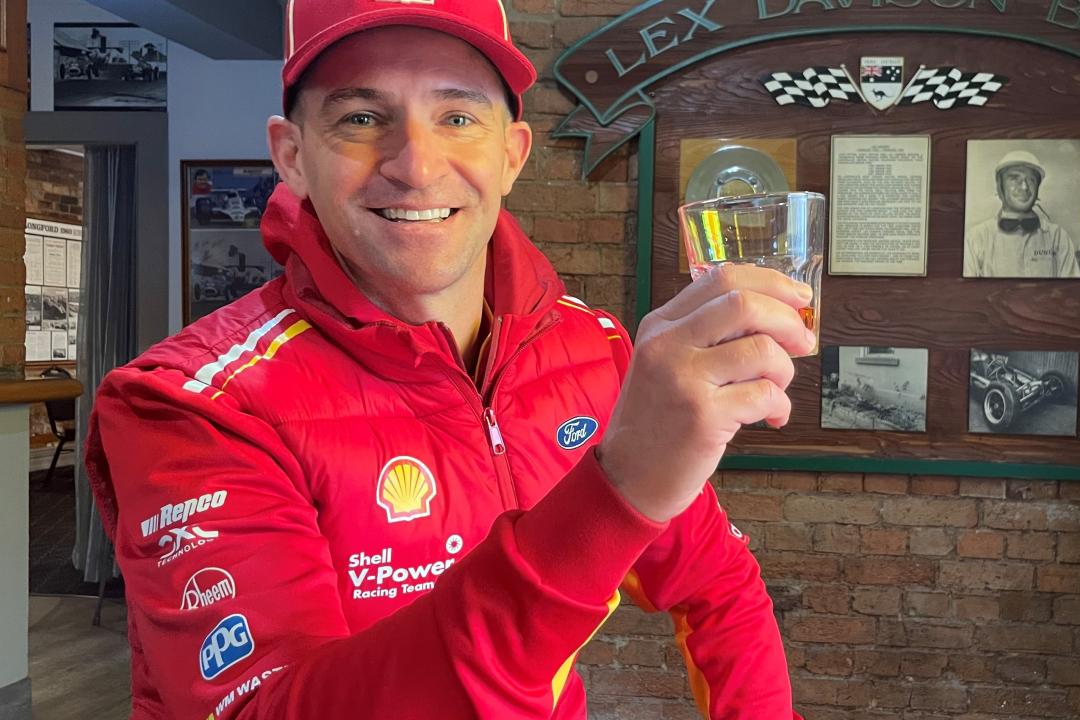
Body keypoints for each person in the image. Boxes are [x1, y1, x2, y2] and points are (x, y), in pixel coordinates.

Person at [84, 1, 811, 719]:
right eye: (362, 118)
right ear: (292, 157)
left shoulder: (597, 351)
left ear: (511, 155)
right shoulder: (192, 405)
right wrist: (616, 494)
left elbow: (721, 590)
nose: (416, 165)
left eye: (457, 117)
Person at [963, 150, 1080, 278]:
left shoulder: (1058, 237)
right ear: (1000, 185)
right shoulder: (976, 238)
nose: (1025, 187)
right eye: (1014, 178)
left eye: (1031, 180)